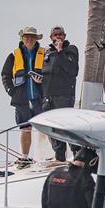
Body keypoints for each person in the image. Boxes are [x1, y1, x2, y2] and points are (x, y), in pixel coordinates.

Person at [1, 26, 46, 168]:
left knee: (48, 126)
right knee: (25, 128)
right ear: (22, 38)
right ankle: (25, 158)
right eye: (27, 37)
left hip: (40, 97)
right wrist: (11, 91)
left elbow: (51, 74)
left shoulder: (45, 54)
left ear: (36, 39)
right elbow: (5, 75)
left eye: (32, 37)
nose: (29, 39)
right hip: (22, 97)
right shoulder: (14, 55)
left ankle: (57, 156)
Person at [41, 25, 80, 161]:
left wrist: (60, 51)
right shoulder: (47, 53)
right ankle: (59, 157)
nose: (58, 36)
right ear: (51, 37)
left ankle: (78, 155)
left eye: (60, 34)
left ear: (64, 35)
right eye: (55, 34)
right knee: (53, 128)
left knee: (66, 126)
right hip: (48, 96)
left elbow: (72, 70)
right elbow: (46, 72)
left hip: (64, 95)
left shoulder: (71, 49)